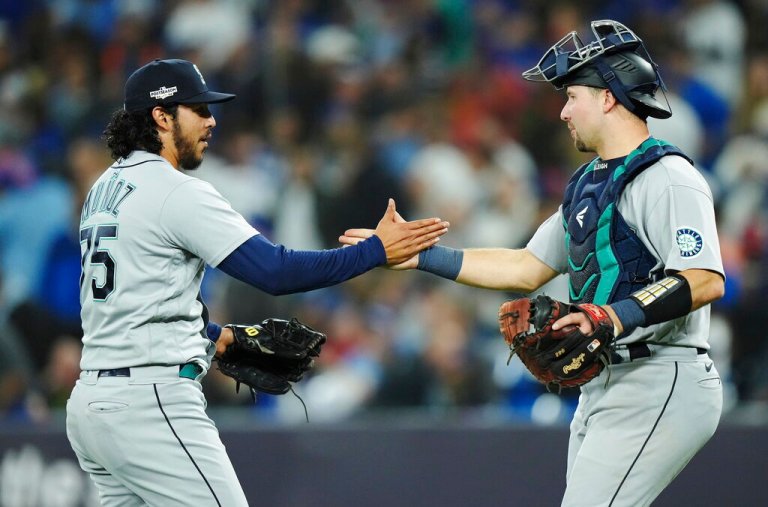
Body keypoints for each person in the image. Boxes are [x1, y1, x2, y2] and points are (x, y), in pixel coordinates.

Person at [341, 20, 724, 506]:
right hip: (606, 381)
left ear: (608, 97)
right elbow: (525, 266)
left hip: (662, 375)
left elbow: (704, 279)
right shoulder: (591, 184)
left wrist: (611, 315)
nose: (563, 111)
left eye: (573, 96)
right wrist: (420, 256)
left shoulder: (669, 177)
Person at [65, 58, 448, 506]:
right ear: (161, 116)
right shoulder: (174, 191)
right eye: (198, 110)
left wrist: (212, 336)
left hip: (92, 402)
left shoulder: (103, 189)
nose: (212, 121)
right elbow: (275, 271)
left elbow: (129, 304)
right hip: (150, 403)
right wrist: (375, 250)